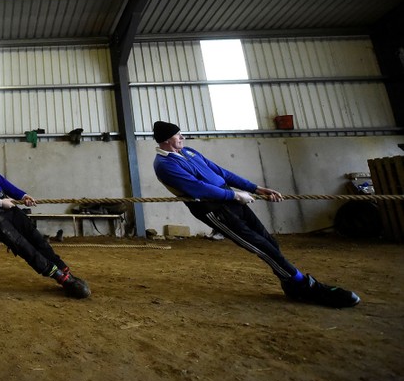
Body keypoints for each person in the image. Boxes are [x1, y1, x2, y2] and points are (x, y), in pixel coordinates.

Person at [151, 120, 360, 308]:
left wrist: (256, 188)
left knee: (268, 241)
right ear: (168, 140)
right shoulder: (165, 165)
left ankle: (291, 283)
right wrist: (234, 196)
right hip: (213, 209)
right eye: (179, 135)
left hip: (232, 199)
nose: (183, 137)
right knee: (260, 245)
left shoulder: (189, 152)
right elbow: (198, 188)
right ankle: (304, 286)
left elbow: (221, 173)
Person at [0, 139, 91, 299]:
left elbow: (2, 182)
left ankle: (63, 269)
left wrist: (22, 195)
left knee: (37, 239)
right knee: (24, 247)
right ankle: (60, 278)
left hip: (9, 206)